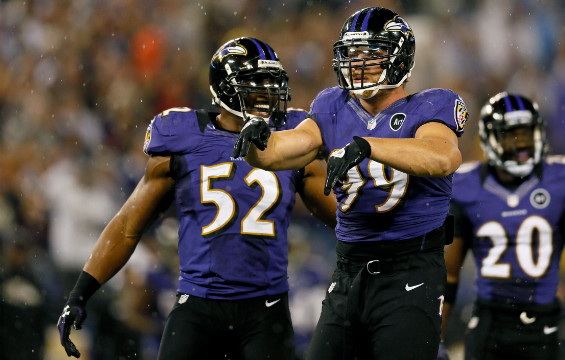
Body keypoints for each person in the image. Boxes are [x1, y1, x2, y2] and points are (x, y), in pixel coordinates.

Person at [56, 37, 337, 360]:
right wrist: (80, 293)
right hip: (198, 307)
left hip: (266, 311)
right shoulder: (182, 137)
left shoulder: (292, 139)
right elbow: (128, 226)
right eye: (255, 82)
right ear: (225, 88)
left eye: (271, 81)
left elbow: (346, 223)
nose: (267, 91)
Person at [234, 7, 468, 359]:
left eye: (370, 54)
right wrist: (257, 140)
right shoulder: (332, 105)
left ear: (399, 59)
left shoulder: (431, 106)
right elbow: (278, 152)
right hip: (349, 271)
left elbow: (443, 158)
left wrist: (369, 146)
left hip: (411, 268)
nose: (357, 63)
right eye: (352, 54)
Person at [438, 92, 565, 360]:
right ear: (490, 139)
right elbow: (449, 273)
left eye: (526, 133)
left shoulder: (563, 179)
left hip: (544, 321)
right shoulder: (467, 186)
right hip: (489, 321)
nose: (521, 143)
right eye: (511, 134)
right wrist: (436, 336)